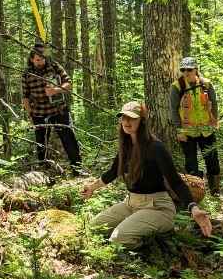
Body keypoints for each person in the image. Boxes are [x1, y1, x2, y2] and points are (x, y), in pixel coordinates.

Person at [81, 101, 213, 248]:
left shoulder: (156, 148)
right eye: (123, 118)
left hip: (157, 208)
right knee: (93, 227)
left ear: (142, 121)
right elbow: (113, 172)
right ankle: (134, 226)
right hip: (130, 204)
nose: (126, 121)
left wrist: (193, 208)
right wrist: (92, 187)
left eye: (132, 118)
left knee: (118, 239)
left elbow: (176, 182)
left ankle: (155, 242)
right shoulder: (126, 146)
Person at [21, 41, 82, 174]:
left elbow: (69, 83)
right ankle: (44, 171)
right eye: (37, 59)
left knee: (68, 139)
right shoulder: (26, 74)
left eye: (42, 58)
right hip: (38, 113)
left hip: (58, 110)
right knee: (41, 143)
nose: (40, 62)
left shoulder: (54, 66)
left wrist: (56, 90)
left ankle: (77, 168)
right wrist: (30, 114)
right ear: (31, 60)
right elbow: (25, 96)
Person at [170, 56, 221, 195]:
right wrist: (179, 130)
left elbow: (214, 103)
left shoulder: (207, 84)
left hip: (206, 129)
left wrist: (215, 121)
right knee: (191, 163)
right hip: (187, 132)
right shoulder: (177, 87)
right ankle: (196, 193)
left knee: (212, 159)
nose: (186, 72)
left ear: (196, 69)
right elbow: (173, 110)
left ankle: (215, 190)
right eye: (183, 70)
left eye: (189, 69)